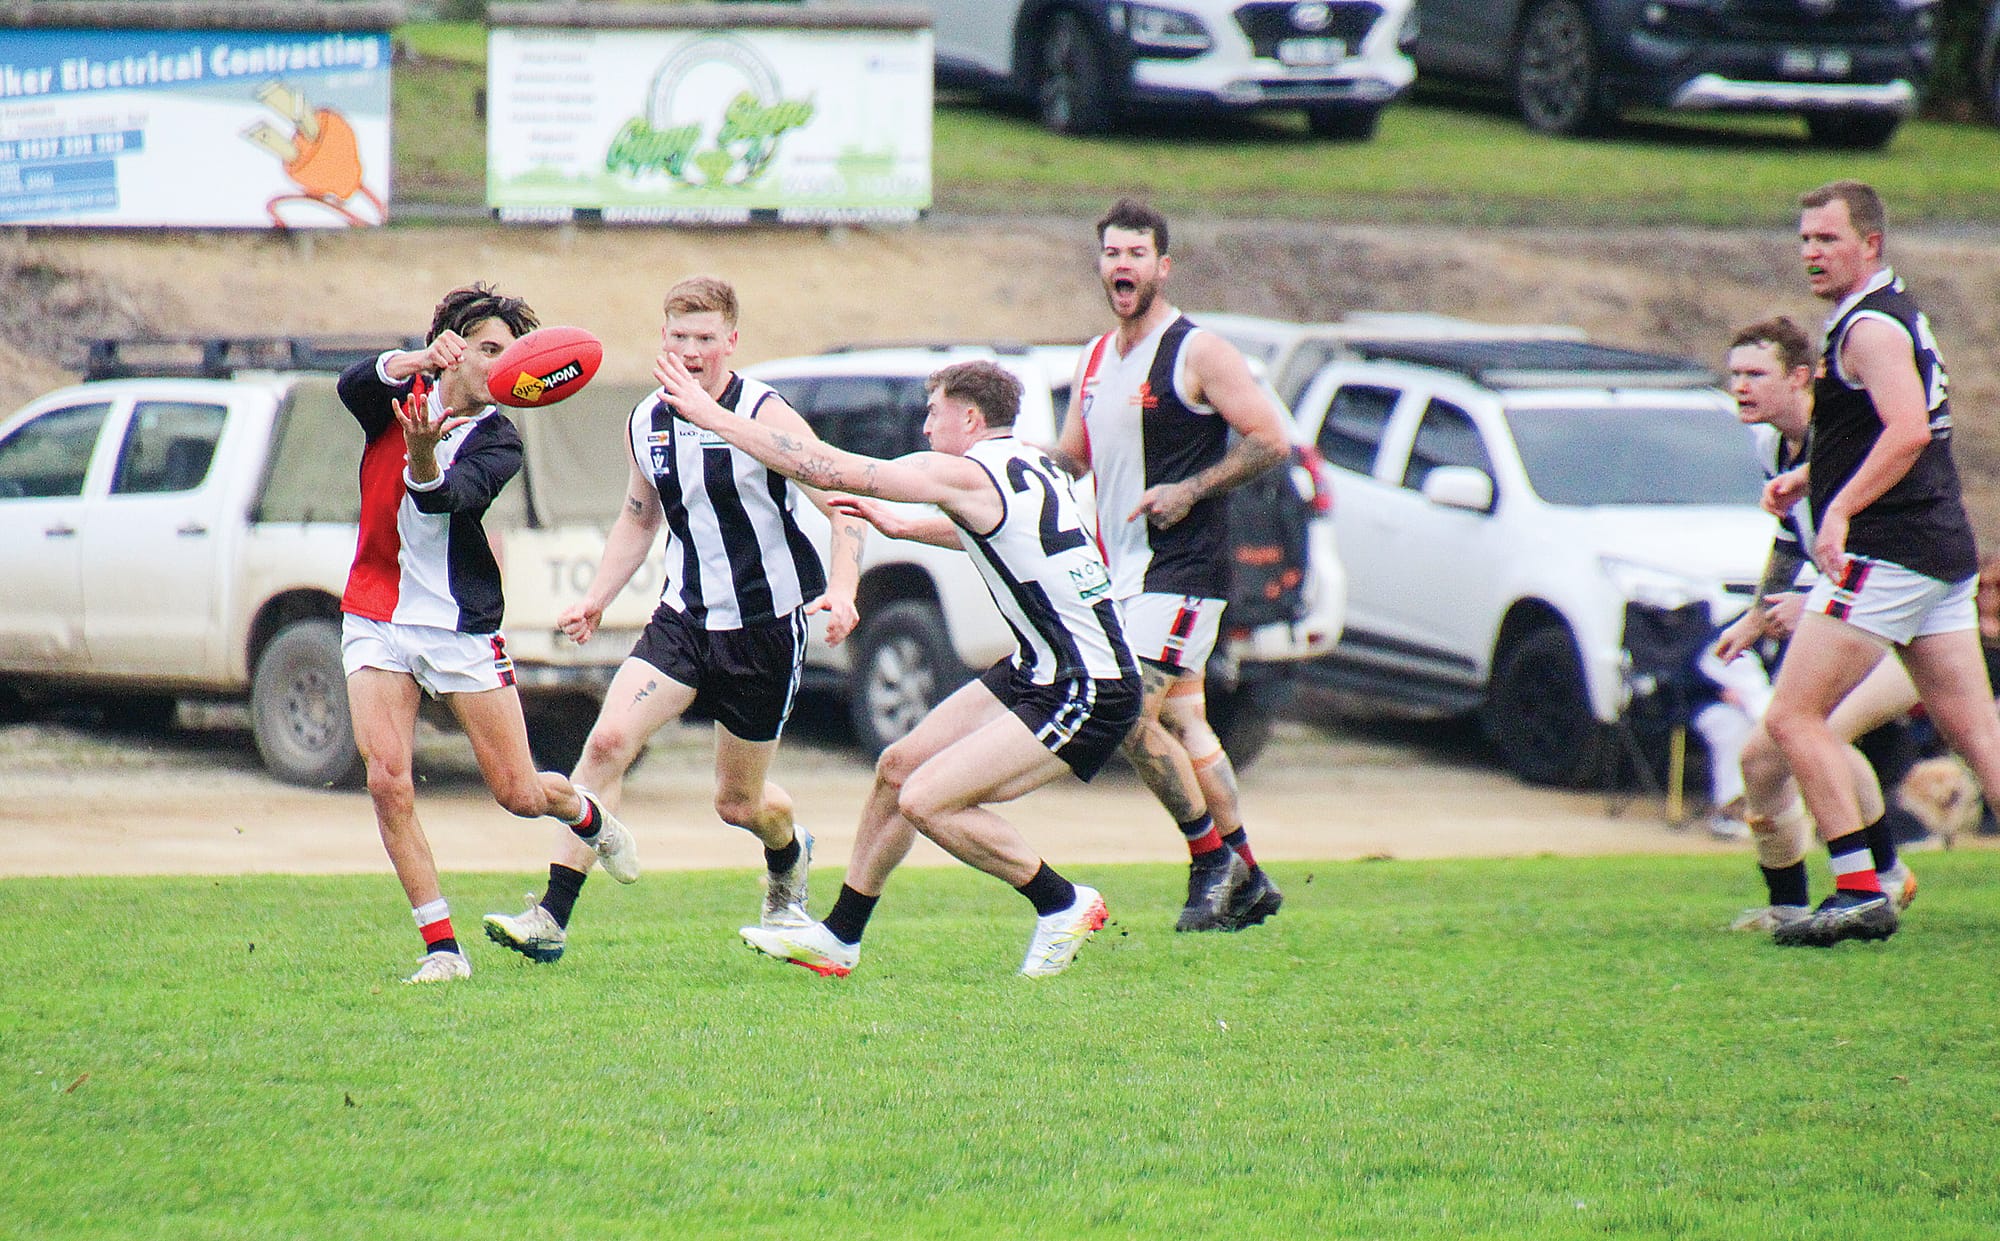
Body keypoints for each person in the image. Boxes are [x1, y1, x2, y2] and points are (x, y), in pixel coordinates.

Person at [664, 355, 1140, 978]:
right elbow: (999, 530)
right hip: (1036, 667)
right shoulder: (1028, 463)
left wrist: (712, 416)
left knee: (928, 801)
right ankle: (841, 937)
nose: (924, 428)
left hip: (1087, 686)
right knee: (897, 768)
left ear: (969, 417)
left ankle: (1062, 902)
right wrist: (910, 528)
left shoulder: (965, 473)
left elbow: (833, 469)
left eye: (933, 412)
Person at [482, 276, 864, 963]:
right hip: (682, 622)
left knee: (739, 804)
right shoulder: (646, 420)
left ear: (732, 343)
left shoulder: (765, 414)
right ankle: (551, 916)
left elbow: (842, 499)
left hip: (764, 632)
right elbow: (638, 516)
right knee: (605, 744)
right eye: (678, 337)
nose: (690, 351)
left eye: (705, 339)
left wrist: (842, 588)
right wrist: (596, 597)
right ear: (663, 340)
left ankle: (789, 849)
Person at [337, 282, 636, 985]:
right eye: (489, 350)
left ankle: (586, 814)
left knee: (520, 792)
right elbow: (351, 382)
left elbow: (452, 499)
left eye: (512, 354)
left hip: (458, 628)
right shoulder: (394, 395)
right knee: (388, 782)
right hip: (376, 613)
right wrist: (413, 361)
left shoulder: (498, 436)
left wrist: (422, 456)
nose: (502, 366)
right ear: (452, 350)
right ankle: (443, 947)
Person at [1756, 180, 2000, 947]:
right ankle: (1868, 879)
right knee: (1978, 732)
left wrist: (1838, 506)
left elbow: (1906, 434)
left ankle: (1863, 884)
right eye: (1804, 239)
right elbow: (1888, 426)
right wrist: (1811, 474)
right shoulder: (1881, 314)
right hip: (1936, 548)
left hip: (1891, 553)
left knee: (1794, 717)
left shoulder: (1869, 329)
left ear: (1871, 244)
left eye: (1827, 239)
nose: (1811, 253)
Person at [1047, 198, 1291, 932]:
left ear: (1163, 265)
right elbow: (1070, 457)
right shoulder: (1093, 358)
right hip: (1119, 572)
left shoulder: (1198, 351)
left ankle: (1210, 858)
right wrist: (991, 473)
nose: (1123, 265)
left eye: (1136, 253)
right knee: (1186, 720)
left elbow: (1270, 438)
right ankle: (1246, 873)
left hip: (1182, 570)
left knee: (1123, 713)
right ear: (1100, 266)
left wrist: (1189, 489)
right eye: (1112, 254)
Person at [1711, 316, 1919, 930]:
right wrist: (1756, 615)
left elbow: (1887, 539)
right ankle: (1789, 906)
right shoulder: (1772, 445)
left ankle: (1878, 882)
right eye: (1734, 375)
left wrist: (1816, 600)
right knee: (1761, 761)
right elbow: (1790, 539)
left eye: (1756, 374)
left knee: (1812, 734)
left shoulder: (1850, 439)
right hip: (1853, 613)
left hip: (1900, 625)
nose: (1740, 387)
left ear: (1801, 378)